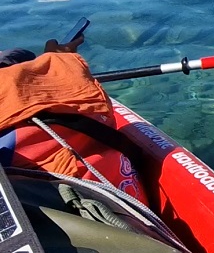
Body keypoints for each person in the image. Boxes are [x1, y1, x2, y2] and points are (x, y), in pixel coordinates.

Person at [0, 32, 147, 202]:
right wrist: (59, 61)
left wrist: (52, 61)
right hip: (98, 205)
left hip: (87, 206)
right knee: (21, 57)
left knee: (20, 55)